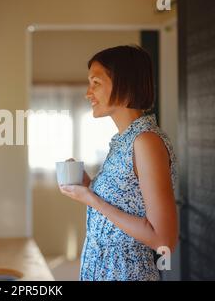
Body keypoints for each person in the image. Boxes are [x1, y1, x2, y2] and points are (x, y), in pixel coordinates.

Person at [59, 45, 178, 281]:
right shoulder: (125, 140)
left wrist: (92, 200)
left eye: (96, 83)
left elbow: (164, 240)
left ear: (124, 83)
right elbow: (128, 205)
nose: (88, 93)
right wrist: (89, 186)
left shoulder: (146, 141)